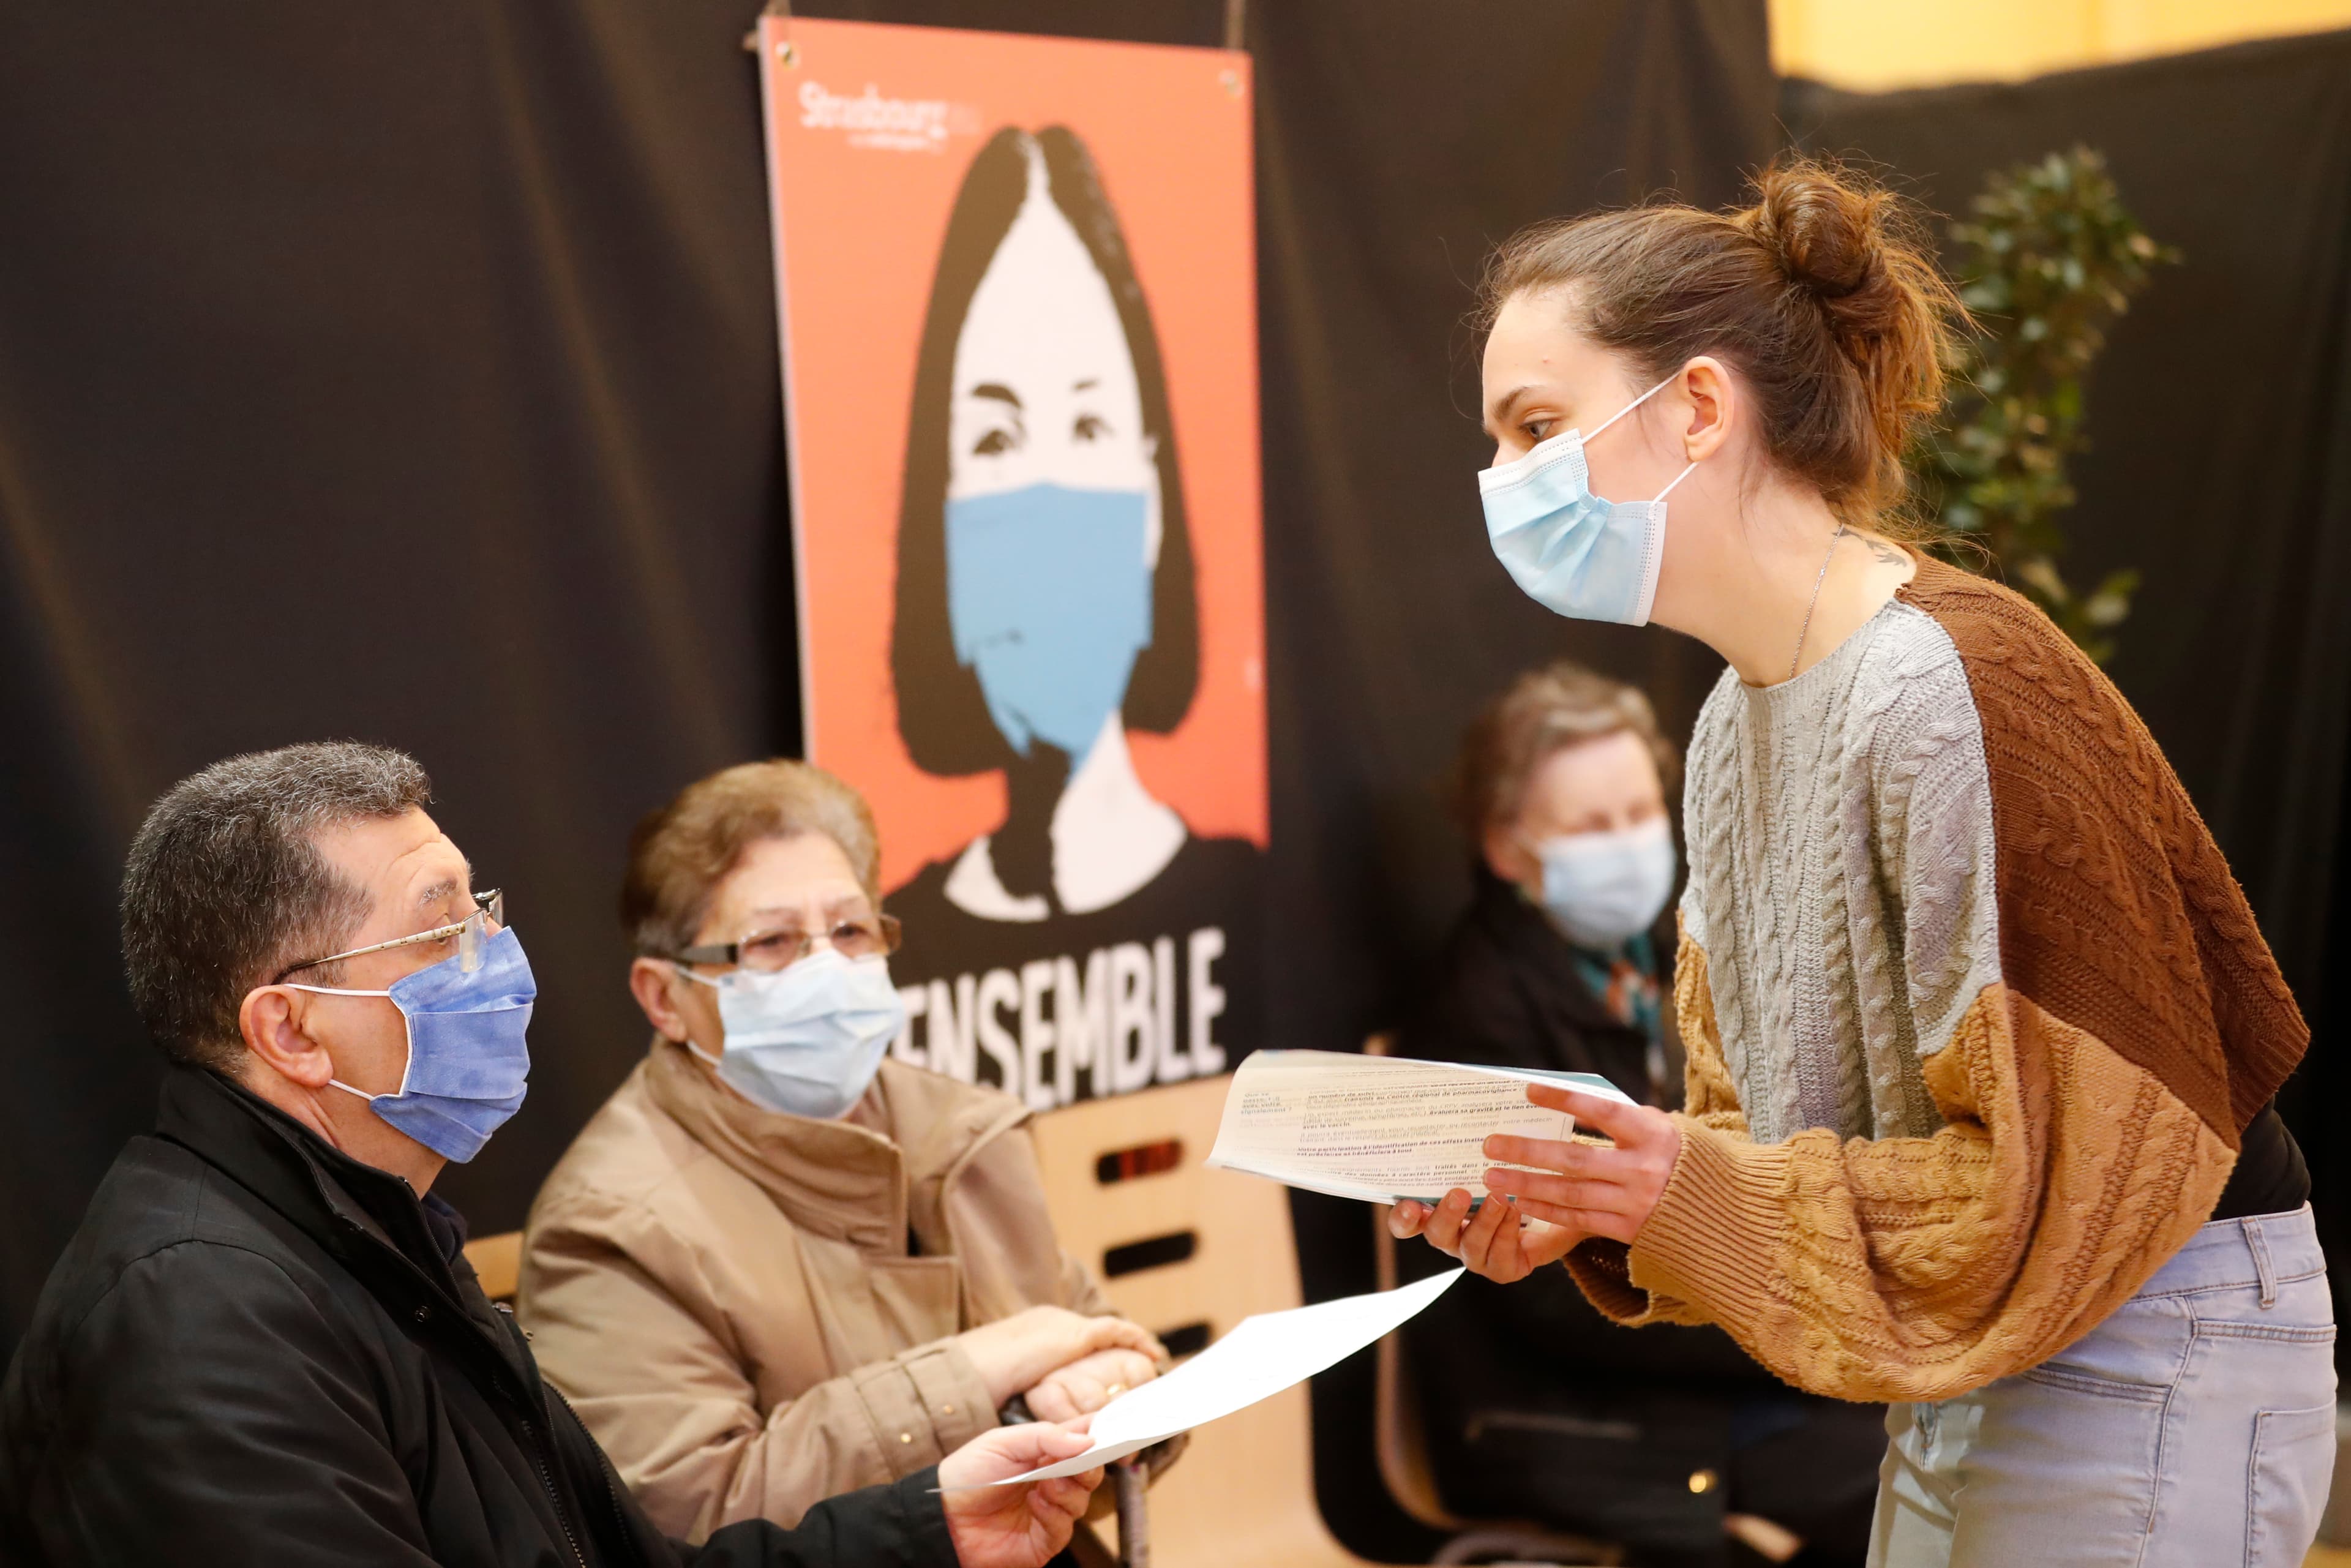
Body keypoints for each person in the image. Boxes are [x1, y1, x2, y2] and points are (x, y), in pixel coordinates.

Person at [1390, 159, 2328, 1568]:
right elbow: (1762, 1142)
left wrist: (1676, 1193)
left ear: (1696, 408)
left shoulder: (1958, 685)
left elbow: (2029, 1188)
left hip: (2136, 1343)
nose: (1503, 482)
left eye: (1537, 425)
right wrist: (1605, 1207)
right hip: (1970, 1358)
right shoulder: (1726, 732)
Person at [0, 743, 1103, 1567]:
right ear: (290, 1029)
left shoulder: (378, 1233)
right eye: (442, 933)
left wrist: (930, 1521)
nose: (498, 962)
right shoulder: (196, 1326)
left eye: (483, 912)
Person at [520, 759, 1166, 1544]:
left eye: (851, 930)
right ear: (666, 997)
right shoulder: (611, 1225)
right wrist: (981, 1369)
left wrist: (1113, 1393)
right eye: (772, 941)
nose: (826, 967)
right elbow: (690, 1523)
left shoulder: (961, 1129)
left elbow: (1103, 1344)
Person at [1398, 661, 1883, 1566]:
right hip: (1585, 1407)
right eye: (1591, 826)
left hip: (1722, 1362)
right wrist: (1779, 1318)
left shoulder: (1676, 961)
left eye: (1639, 813)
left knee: (1966, 1441)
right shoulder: (1473, 1014)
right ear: (1507, 849)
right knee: (1896, 1490)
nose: (1627, 843)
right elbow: (1544, 1302)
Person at [883, 124, 1261, 1108]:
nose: (1045, 500)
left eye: (1089, 426)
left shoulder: (1253, 902)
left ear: (1151, 494)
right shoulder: (885, 944)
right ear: (943, 506)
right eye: (997, 436)